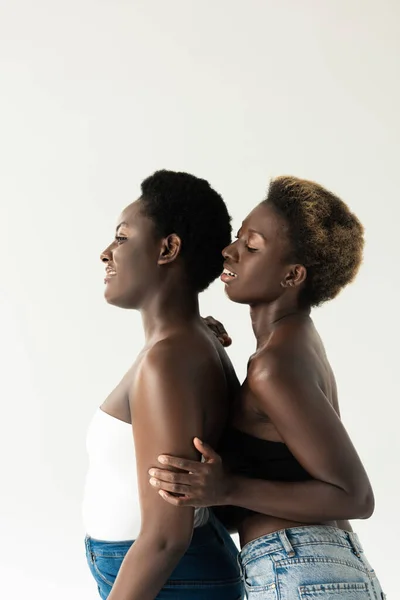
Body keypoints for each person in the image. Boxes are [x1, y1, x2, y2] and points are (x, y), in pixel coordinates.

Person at [148, 176, 386, 599]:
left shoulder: (274, 365)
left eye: (252, 246)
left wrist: (227, 488)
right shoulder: (289, 344)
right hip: (316, 566)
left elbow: (355, 497)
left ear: (293, 275)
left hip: (301, 568)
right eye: (238, 238)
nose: (230, 251)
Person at [82, 170, 244, 600]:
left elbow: (166, 537)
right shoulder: (182, 346)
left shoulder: (170, 359)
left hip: (168, 578)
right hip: (169, 576)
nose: (106, 253)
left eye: (121, 238)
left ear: (168, 248)